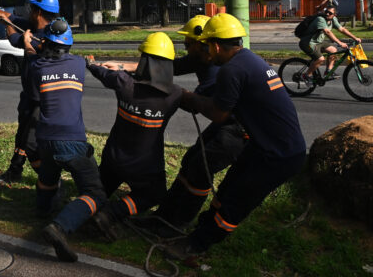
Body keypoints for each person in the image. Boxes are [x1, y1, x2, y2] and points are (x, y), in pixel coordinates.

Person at [164, 13, 306, 262]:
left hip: (278, 155)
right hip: (262, 144)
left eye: (208, 45)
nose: (207, 51)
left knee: (235, 202)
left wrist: (187, 98)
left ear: (216, 45)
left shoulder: (232, 70)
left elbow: (218, 114)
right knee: (227, 189)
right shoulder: (250, 60)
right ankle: (200, 230)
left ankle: (197, 245)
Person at [148, 16, 249, 236]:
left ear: (205, 45)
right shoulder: (200, 59)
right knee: (191, 160)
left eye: (187, 45)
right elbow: (169, 68)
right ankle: (164, 215)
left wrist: (176, 94)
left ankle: (177, 223)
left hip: (238, 130)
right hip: (226, 123)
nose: (185, 49)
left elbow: (198, 106)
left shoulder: (219, 70)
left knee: (200, 168)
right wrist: (127, 69)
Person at [23, 19, 107, 263]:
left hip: (46, 139)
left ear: (46, 43)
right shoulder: (79, 64)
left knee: (48, 178)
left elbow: (33, 88)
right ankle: (60, 227)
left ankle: (42, 210)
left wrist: (30, 45)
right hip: (72, 140)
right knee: (96, 193)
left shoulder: (36, 66)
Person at [87, 32, 183, 239]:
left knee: (98, 191)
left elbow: (102, 73)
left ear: (144, 60)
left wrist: (92, 64)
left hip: (113, 157)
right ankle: (113, 213)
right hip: (144, 166)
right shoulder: (175, 96)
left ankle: (83, 213)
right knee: (153, 195)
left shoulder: (124, 84)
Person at [0, 0, 60, 186]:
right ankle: (15, 170)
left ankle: (50, 180)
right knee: (22, 137)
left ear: (37, 11)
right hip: (29, 95)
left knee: (30, 143)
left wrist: (5, 25)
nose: (28, 11)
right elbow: (8, 15)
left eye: (31, 8)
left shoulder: (49, 38)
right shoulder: (33, 25)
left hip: (41, 99)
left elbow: (14, 39)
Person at [299, 6, 361, 84]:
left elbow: (342, 29)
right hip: (307, 43)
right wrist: (340, 43)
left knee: (333, 50)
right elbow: (327, 32)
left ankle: (328, 72)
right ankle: (305, 75)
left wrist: (355, 38)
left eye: (330, 13)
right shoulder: (320, 19)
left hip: (318, 42)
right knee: (320, 59)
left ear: (334, 15)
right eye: (326, 12)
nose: (327, 14)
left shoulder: (333, 20)